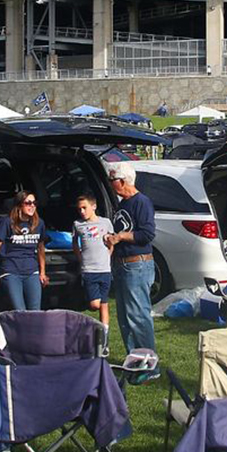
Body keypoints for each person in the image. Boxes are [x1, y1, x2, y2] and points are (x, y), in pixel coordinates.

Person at [104, 161, 159, 379]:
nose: (110, 184)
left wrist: (121, 237)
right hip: (122, 264)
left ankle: (150, 366)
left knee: (138, 316)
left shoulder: (141, 202)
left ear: (123, 181)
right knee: (125, 318)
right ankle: (135, 362)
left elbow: (147, 234)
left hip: (137, 264)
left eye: (112, 180)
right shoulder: (122, 204)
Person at [0, 191, 47, 311]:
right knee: (19, 310)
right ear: (19, 205)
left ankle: (33, 330)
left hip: (31, 271)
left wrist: (42, 272)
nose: (32, 206)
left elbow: (40, 248)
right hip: (11, 271)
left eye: (34, 203)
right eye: (28, 203)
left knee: (35, 310)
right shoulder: (7, 222)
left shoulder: (39, 223)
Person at [73, 194, 115, 334]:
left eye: (84, 208)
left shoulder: (105, 222)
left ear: (94, 206)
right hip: (89, 269)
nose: (82, 211)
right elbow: (74, 243)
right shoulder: (78, 225)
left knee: (104, 302)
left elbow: (111, 240)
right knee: (95, 304)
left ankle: (104, 333)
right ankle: (86, 301)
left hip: (104, 268)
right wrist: (80, 258)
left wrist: (109, 252)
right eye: (79, 209)